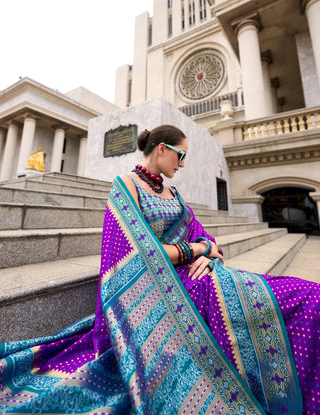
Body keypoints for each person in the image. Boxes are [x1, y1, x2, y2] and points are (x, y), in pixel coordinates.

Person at [0, 124, 319, 415]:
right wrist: (193, 249)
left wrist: (207, 253)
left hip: (201, 278)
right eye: (180, 155)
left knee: (305, 295)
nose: (182, 164)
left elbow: (210, 241)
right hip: (158, 292)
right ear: (163, 149)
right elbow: (136, 252)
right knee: (302, 300)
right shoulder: (127, 186)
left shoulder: (175, 195)